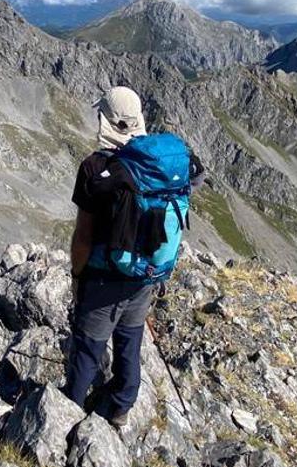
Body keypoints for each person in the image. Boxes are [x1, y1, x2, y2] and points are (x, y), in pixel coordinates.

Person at [64, 86, 202, 427]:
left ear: (105, 121)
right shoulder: (159, 164)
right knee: (129, 339)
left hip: (102, 278)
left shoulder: (95, 168)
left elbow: (83, 235)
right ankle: (121, 406)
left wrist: (77, 275)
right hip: (146, 274)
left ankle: (69, 413)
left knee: (87, 348)